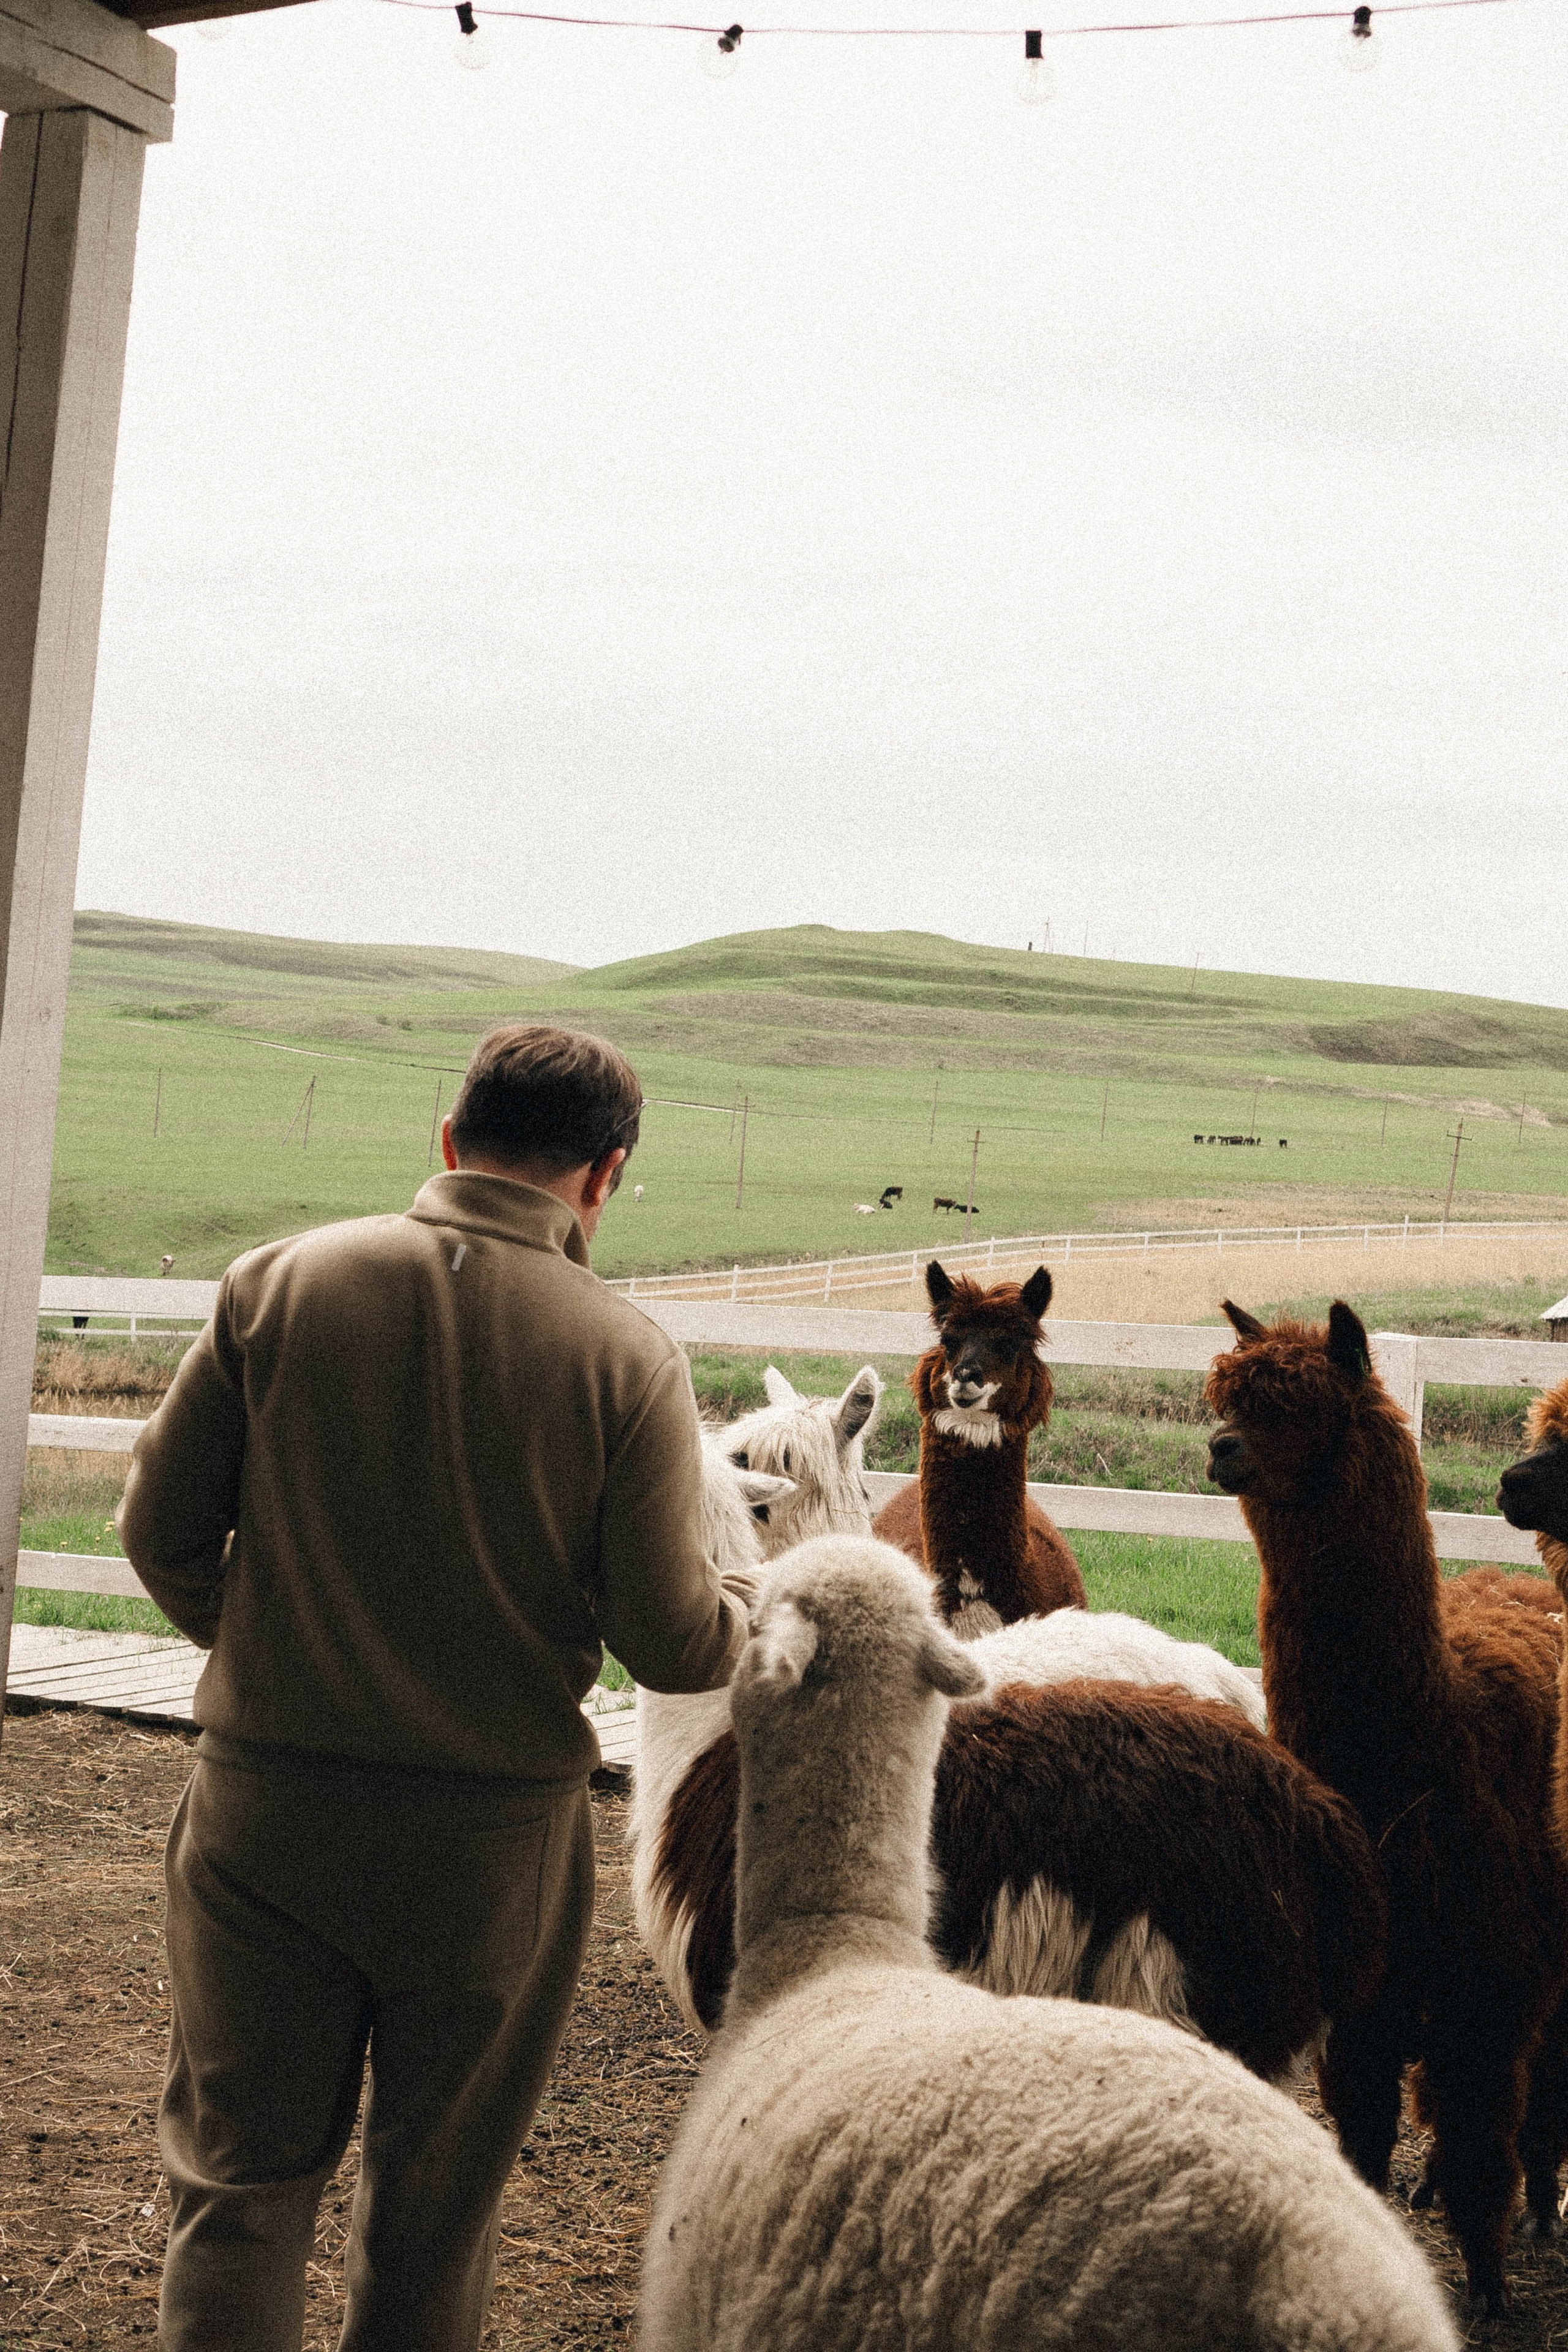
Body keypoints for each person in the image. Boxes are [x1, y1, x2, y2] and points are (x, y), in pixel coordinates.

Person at [119, 1024, 752, 2352]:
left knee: (236, 2195)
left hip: (261, 1818)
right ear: (605, 1176)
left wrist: (265, 1656)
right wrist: (748, 1609)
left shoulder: (274, 1285)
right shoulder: (622, 1356)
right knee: (432, 2212)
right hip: (485, 1849)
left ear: (449, 1140)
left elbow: (161, 1532)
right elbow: (673, 1645)